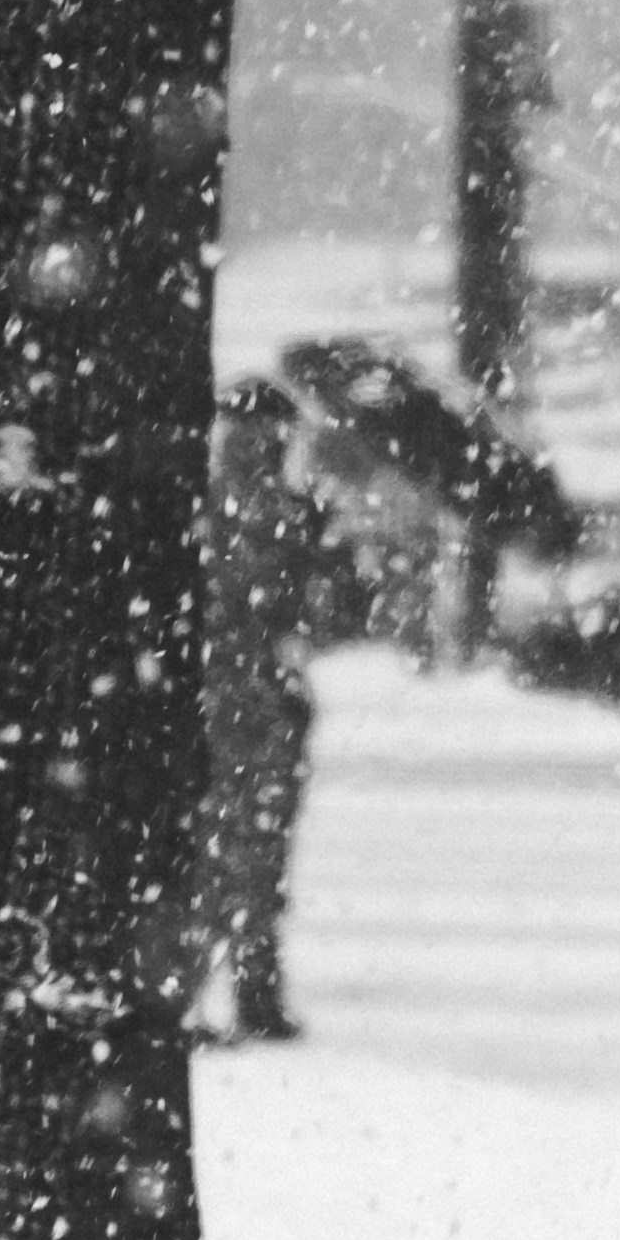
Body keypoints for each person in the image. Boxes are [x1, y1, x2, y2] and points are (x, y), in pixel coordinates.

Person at [187, 372, 351, 1043]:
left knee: (223, 855)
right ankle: (238, 991)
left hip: (234, 704)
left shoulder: (220, 507)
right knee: (243, 856)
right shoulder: (274, 513)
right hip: (247, 706)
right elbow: (306, 612)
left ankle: (219, 991)